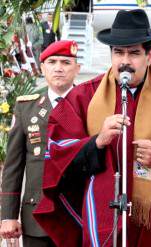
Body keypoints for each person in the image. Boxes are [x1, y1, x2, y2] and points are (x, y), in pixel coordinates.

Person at [33, 9, 151, 247]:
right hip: (102, 213)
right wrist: (96, 142)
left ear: (150, 55)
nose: (125, 61)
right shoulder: (84, 96)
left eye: (134, 53)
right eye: (118, 53)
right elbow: (57, 152)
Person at [0, 40, 80, 247]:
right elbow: (13, 166)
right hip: (36, 215)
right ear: (43, 68)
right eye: (52, 62)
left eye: (66, 62)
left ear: (77, 69)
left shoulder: (90, 104)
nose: (59, 68)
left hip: (78, 214)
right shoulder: (26, 107)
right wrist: (8, 216)